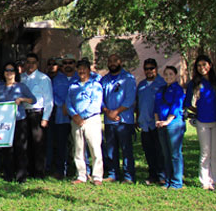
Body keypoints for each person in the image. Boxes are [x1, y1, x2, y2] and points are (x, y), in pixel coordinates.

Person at [185, 54, 216, 190]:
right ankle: (204, 181)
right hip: (202, 122)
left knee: (214, 152)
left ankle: (213, 181)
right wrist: (197, 110)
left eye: (204, 65)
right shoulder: (193, 83)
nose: (202, 68)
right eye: (199, 66)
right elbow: (187, 103)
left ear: (210, 65)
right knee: (205, 152)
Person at [0, 61, 35, 183]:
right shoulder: (0, 88)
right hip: (5, 123)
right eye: (7, 70)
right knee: (7, 149)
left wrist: (22, 99)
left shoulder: (21, 86)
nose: (9, 73)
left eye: (11, 70)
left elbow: (33, 99)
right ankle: (8, 175)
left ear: (15, 73)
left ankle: (21, 176)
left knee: (20, 149)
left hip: (19, 121)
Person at [101, 53, 137, 183]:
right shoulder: (104, 80)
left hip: (124, 120)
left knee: (126, 149)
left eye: (115, 61)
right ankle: (112, 174)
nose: (112, 63)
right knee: (111, 149)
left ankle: (128, 176)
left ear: (120, 62)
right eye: (110, 61)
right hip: (109, 121)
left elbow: (130, 99)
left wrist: (116, 112)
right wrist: (107, 111)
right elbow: (100, 99)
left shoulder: (128, 78)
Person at [67, 59, 103, 186]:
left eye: (84, 69)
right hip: (76, 120)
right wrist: (75, 115)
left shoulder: (96, 86)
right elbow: (69, 103)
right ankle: (81, 175)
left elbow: (95, 104)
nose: (82, 71)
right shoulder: (73, 86)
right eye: (79, 69)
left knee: (94, 148)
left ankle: (97, 176)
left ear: (89, 70)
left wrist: (82, 116)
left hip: (91, 119)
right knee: (78, 148)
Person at [21, 52, 53, 179]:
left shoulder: (43, 79)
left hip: (37, 114)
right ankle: (28, 170)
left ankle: (39, 173)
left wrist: (45, 118)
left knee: (38, 144)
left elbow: (49, 100)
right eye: (28, 62)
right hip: (23, 114)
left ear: (37, 64)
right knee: (26, 143)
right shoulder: (21, 77)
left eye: (33, 62)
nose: (30, 65)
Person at [136, 58, 166, 186]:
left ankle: (162, 175)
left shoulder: (162, 83)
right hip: (144, 124)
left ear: (156, 69)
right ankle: (152, 175)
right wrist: (137, 118)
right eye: (146, 68)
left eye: (151, 68)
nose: (149, 71)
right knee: (148, 151)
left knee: (160, 151)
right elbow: (138, 104)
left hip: (157, 124)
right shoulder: (141, 85)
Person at [154, 66, 186, 190]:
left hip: (174, 124)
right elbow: (156, 106)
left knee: (175, 154)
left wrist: (167, 121)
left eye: (171, 74)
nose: (168, 76)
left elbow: (176, 107)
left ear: (176, 75)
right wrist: (158, 121)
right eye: (166, 74)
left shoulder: (178, 89)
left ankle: (177, 182)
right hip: (161, 124)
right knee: (166, 154)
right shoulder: (161, 89)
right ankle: (167, 180)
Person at [50, 54, 78, 179]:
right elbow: (53, 95)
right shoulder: (56, 79)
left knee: (78, 144)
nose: (68, 65)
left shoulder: (79, 78)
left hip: (77, 117)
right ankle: (60, 171)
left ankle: (80, 171)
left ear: (74, 64)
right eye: (65, 63)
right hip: (61, 117)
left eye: (70, 62)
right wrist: (62, 105)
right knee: (61, 145)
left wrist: (70, 107)